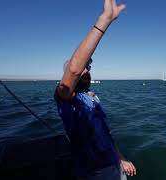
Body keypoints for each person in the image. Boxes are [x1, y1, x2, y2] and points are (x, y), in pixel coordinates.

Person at [54, 0, 136, 179]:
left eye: (88, 65)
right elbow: (74, 69)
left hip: (114, 165)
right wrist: (105, 20)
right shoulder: (65, 96)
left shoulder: (92, 98)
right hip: (92, 172)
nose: (86, 67)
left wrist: (121, 158)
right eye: (84, 63)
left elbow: (106, 136)